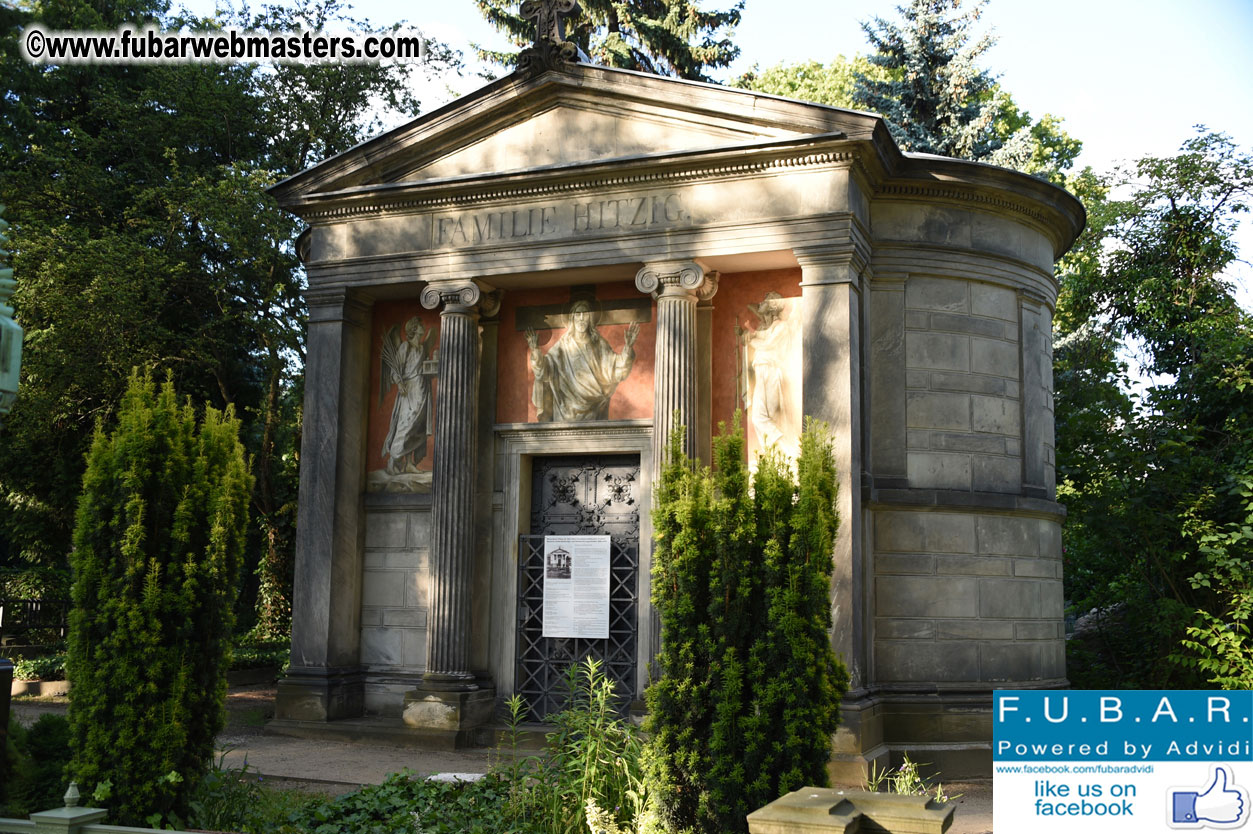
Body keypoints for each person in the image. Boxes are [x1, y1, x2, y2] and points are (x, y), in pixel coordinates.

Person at [527, 300, 639, 422]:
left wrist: (628, 347)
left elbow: (616, 369)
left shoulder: (598, 344)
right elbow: (545, 370)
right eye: (578, 314)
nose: (581, 318)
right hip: (566, 410)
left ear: (590, 318)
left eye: (585, 314)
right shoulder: (563, 345)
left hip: (595, 408)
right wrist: (535, 350)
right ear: (572, 318)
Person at [380, 317, 436, 473]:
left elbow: (423, 367)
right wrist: (399, 383)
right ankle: (393, 459)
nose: (422, 327)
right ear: (413, 329)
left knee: (418, 427)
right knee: (406, 425)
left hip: (423, 388)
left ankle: (409, 463)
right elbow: (396, 369)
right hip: (409, 389)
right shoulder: (405, 346)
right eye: (419, 325)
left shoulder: (422, 348)